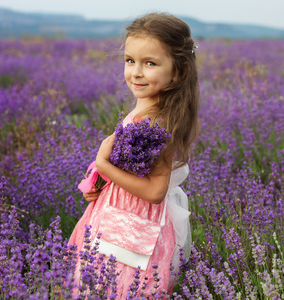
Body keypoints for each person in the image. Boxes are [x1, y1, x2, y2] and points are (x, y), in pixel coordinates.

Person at [69, 12, 200, 297]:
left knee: (119, 288)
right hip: (119, 216)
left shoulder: (157, 121)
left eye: (150, 63)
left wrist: (103, 164)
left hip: (132, 226)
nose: (136, 72)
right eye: (130, 61)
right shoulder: (146, 108)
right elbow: (131, 168)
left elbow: (154, 190)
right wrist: (98, 183)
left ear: (178, 71)